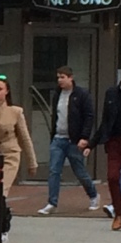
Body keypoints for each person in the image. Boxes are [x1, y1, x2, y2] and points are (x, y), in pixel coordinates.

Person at [38, 66, 99, 215]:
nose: (59, 80)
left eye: (63, 77)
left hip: (74, 140)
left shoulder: (81, 94)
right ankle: (52, 203)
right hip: (58, 138)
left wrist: (84, 137)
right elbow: (56, 115)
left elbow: (89, 116)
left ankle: (93, 195)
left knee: (79, 171)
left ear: (71, 77)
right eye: (58, 77)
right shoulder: (57, 94)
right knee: (54, 171)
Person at [81, 60, 121, 229]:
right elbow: (105, 122)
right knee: (113, 177)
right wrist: (91, 144)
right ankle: (118, 214)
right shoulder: (112, 94)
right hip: (115, 141)